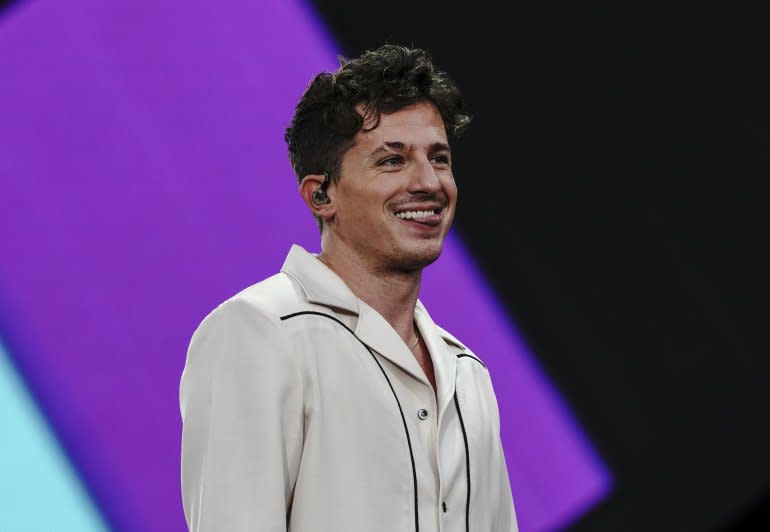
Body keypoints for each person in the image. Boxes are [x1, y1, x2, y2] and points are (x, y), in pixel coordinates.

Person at [179, 43, 518, 532]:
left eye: (439, 158)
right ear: (321, 194)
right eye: (392, 161)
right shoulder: (260, 331)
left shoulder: (467, 372)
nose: (429, 181)